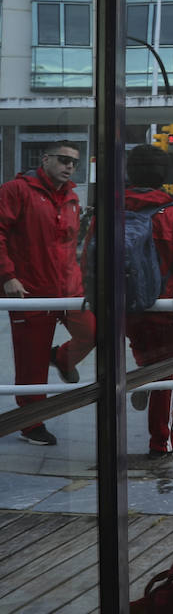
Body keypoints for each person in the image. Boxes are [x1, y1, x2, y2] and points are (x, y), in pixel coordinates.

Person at [0, 140, 96, 447]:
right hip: (30, 292)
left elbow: (69, 248)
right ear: (44, 160)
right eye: (63, 160)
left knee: (94, 332)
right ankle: (32, 424)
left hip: (69, 291)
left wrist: (81, 284)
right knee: (31, 364)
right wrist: (7, 276)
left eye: (74, 162)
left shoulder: (71, 198)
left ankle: (62, 357)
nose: (69, 166)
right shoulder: (16, 191)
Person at [124, 144, 173, 462]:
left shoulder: (110, 212)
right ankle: (162, 442)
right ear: (164, 177)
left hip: (127, 311)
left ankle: (144, 379)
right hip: (166, 311)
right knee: (168, 377)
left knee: (149, 363)